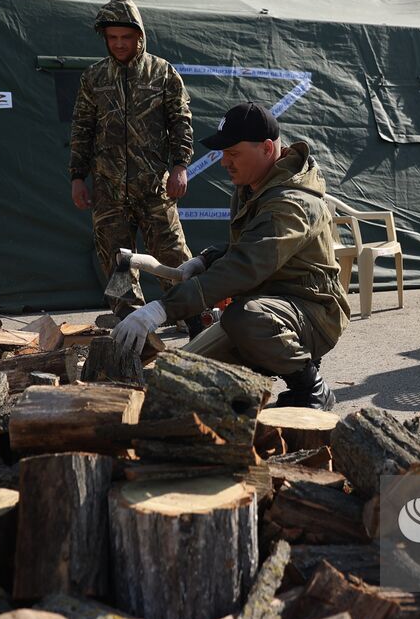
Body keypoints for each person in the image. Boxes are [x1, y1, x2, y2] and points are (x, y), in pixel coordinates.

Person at [112, 102, 349, 409]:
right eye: (223, 153)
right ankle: (251, 386)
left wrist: (160, 310)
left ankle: (310, 386)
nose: (224, 162)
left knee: (245, 318)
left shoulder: (290, 204)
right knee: (178, 376)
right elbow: (252, 246)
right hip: (268, 303)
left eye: (233, 153)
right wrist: (206, 259)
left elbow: (244, 267)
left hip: (311, 312)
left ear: (266, 148)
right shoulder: (252, 187)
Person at [69, 0, 195, 324]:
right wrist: (78, 177)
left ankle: (191, 313)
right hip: (108, 188)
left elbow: (180, 121)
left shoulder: (162, 73)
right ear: (105, 39)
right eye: (113, 38)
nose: (120, 44)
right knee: (116, 260)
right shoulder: (94, 79)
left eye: (126, 37)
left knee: (172, 254)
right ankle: (130, 319)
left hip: (154, 185)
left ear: (139, 36)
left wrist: (180, 165)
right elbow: (82, 128)